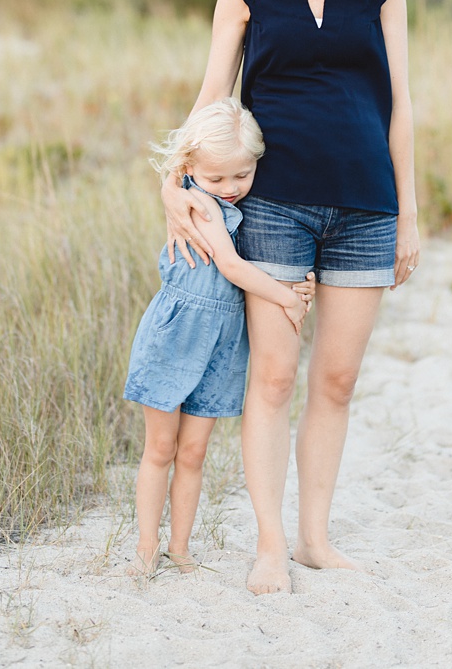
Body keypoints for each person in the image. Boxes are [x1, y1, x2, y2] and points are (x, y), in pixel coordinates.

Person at [163, 0, 419, 596]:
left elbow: (401, 105)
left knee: (335, 380)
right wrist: (172, 180)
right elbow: (214, 96)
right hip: (273, 203)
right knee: (274, 379)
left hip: (367, 203)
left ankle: (314, 538)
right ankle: (270, 545)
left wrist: (410, 213)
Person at [124, 98, 314, 578]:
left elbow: (254, 266)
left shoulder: (239, 206)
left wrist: (296, 285)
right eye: (217, 178)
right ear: (189, 169)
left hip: (221, 346)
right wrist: (288, 299)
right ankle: (146, 549)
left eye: (241, 176)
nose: (230, 189)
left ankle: (180, 548)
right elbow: (231, 266)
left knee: (193, 453)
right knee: (161, 450)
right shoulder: (198, 205)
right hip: (178, 337)